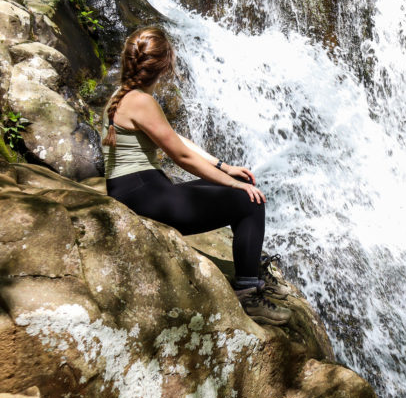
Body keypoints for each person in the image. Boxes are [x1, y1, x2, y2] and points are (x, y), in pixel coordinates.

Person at [102, 26, 291, 326]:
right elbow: (182, 157)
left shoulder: (128, 96)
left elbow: (174, 138)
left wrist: (223, 167)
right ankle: (248, 292)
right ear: (165, 65)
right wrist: (231, 183)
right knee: (250, 201)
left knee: (245, 186)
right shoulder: (140, 101)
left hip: (140, 189)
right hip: (145, 196)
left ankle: (252, 272)